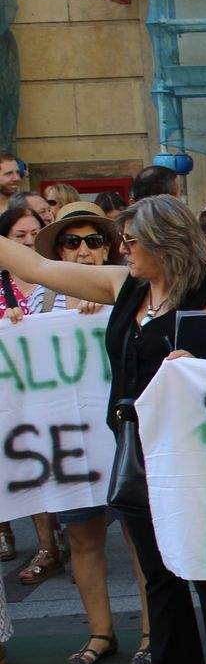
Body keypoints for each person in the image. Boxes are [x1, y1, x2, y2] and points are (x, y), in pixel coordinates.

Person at [1, 195, 206, 664]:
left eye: (132, 240)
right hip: (136, 445)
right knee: (156, 567)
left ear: (166, 242)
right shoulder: (126, 287)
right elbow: (39, 268)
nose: (123, 248)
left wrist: (198, 369)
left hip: (194, 452)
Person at [21, 202, 154, 664]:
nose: (82, 251)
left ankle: (150, 632)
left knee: (139, 537)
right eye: (71, 242)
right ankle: (100, 632)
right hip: (72, 443)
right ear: (58, 249)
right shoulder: (40, 302)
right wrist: (20, 331)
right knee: (82, 536)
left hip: (120, 434)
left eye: (93, 241)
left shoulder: (132, 287)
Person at [0, 205, 70, 587]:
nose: (28, 242)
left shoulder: (58, 280)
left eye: (33, 234)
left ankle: (55, 541)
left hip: (49, 388)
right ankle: (19, 532)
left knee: (43, 459)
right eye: (18, 237)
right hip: (8, 392)